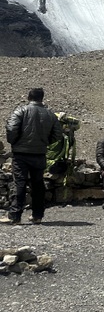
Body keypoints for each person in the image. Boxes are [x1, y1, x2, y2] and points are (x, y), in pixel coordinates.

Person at [4, 88, 64, 225]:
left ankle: (15, 216)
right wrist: (45, 142)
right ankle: (37, 216)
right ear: (42, 98)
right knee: (38, 185)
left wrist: (15, 142)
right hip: (39, 154)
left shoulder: (21, 111)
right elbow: (57, 134)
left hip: (21, 154)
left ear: (28, 97)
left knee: (19, 183)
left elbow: (11, 128)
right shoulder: (50, 114)